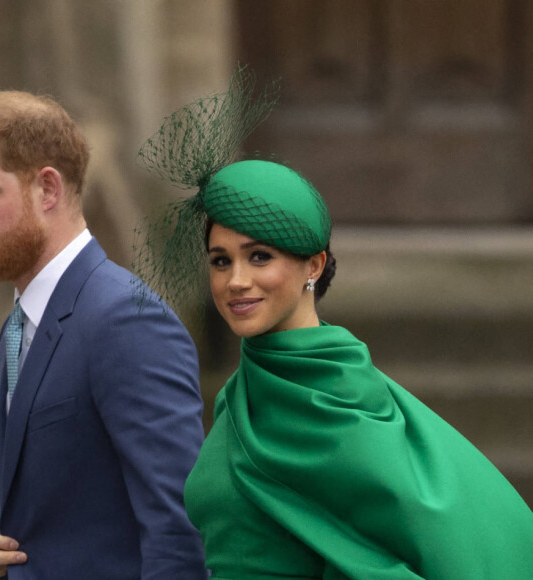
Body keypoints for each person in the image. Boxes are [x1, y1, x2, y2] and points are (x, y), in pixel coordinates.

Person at [136, 69, 533, 579]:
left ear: (314, 266)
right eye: (220, 260)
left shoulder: (340, 398)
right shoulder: (240, 395)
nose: (235, 280)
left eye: (259, 257)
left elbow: (429, 539)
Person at [0, 90, 206, 579]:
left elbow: (180, 529)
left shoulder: (126, 322)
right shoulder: (17, 326)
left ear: (47, 189)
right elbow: (52, 492)